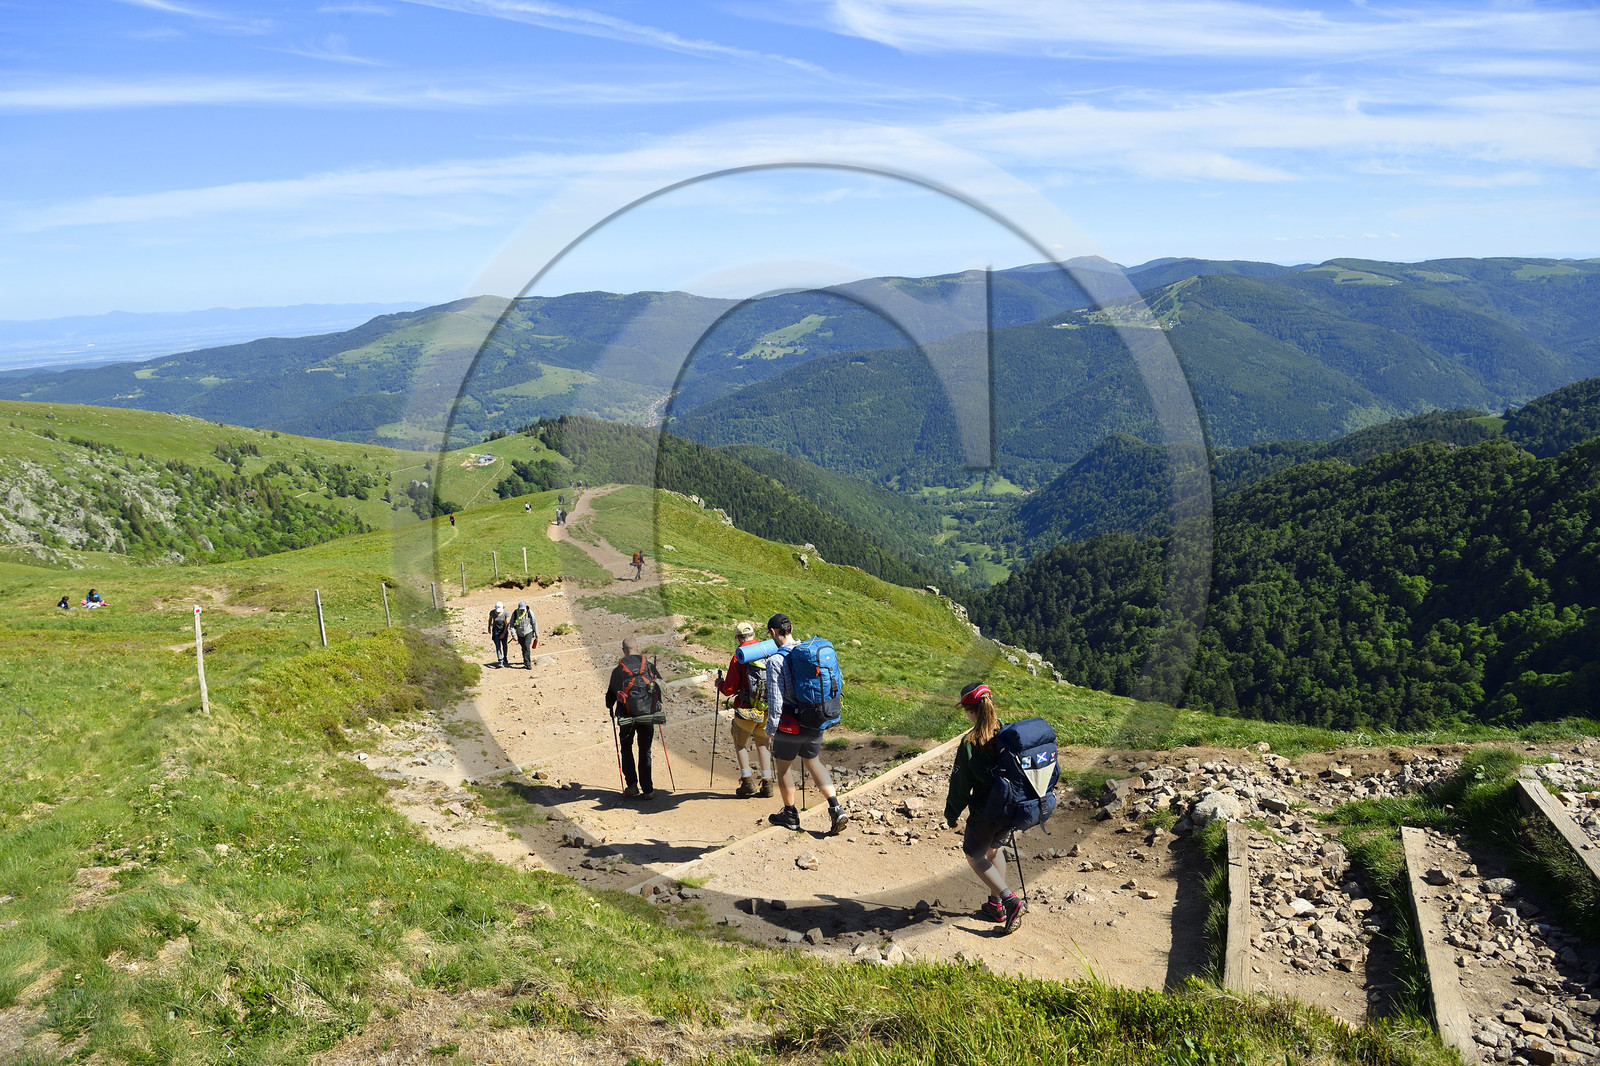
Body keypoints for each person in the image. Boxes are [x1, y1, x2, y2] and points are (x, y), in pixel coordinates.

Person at [944, 682, 1024, 933]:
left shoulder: (970, 742)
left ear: (970, 711)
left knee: (974, 855)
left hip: (986, 810)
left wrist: (951, 813)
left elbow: (960, 783)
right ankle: (995, 904)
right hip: (1011, 807)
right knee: (993, 850)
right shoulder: (1006, 732)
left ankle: (1009, 901)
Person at [763, 613, 848, 834]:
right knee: (813, 762)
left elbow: (776, 700)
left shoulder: (775, 660)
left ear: (773, 632)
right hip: (814, 716)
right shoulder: (807, 652)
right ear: (791, 628)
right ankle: (836, 808)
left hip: (790, 723)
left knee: (783, 768)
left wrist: (770, 731)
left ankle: (790, 815)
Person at [717, 621, 775, 798]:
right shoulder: (767, 649)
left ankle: (747, 781)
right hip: (766, 708)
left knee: (740, 743)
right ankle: (767, 783)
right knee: (763, 743)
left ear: (738, 638)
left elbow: (729, 689)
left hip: (745, 709)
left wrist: (719, 684)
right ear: (753, 634)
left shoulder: (739, 656)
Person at [605, 636, 662, 799]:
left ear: (623, 650)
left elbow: (610, 699)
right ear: (637, 648)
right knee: (645, 750)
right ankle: (648, 790)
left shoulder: (619, 670)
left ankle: (632, 785)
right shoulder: (649, 666)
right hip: (647, 714)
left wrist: (611, 705)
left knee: (626, 748)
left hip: (626, 717)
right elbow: (659, 686)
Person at [509, 600, 538, 668]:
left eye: (523, 609)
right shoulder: (515, 613)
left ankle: (528, 664)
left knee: (526, 646)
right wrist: (514, 634)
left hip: (528, 632)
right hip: (519, 633)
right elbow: (511, 625)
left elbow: (534, 622)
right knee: (523, 647)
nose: (522, 611)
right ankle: (525, 661)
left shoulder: (529, 612)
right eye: (521, 609)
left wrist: (536, 633)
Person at [488, 600, 510, 667]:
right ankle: (500, 660)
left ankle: (505, 657)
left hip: (504, 630)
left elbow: (507, 624)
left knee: (504, 645)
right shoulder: (492, 612)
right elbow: (490, 619)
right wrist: (489, 627)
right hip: (496, 630)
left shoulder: (505, 613)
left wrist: (504, 633)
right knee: (498, 646)